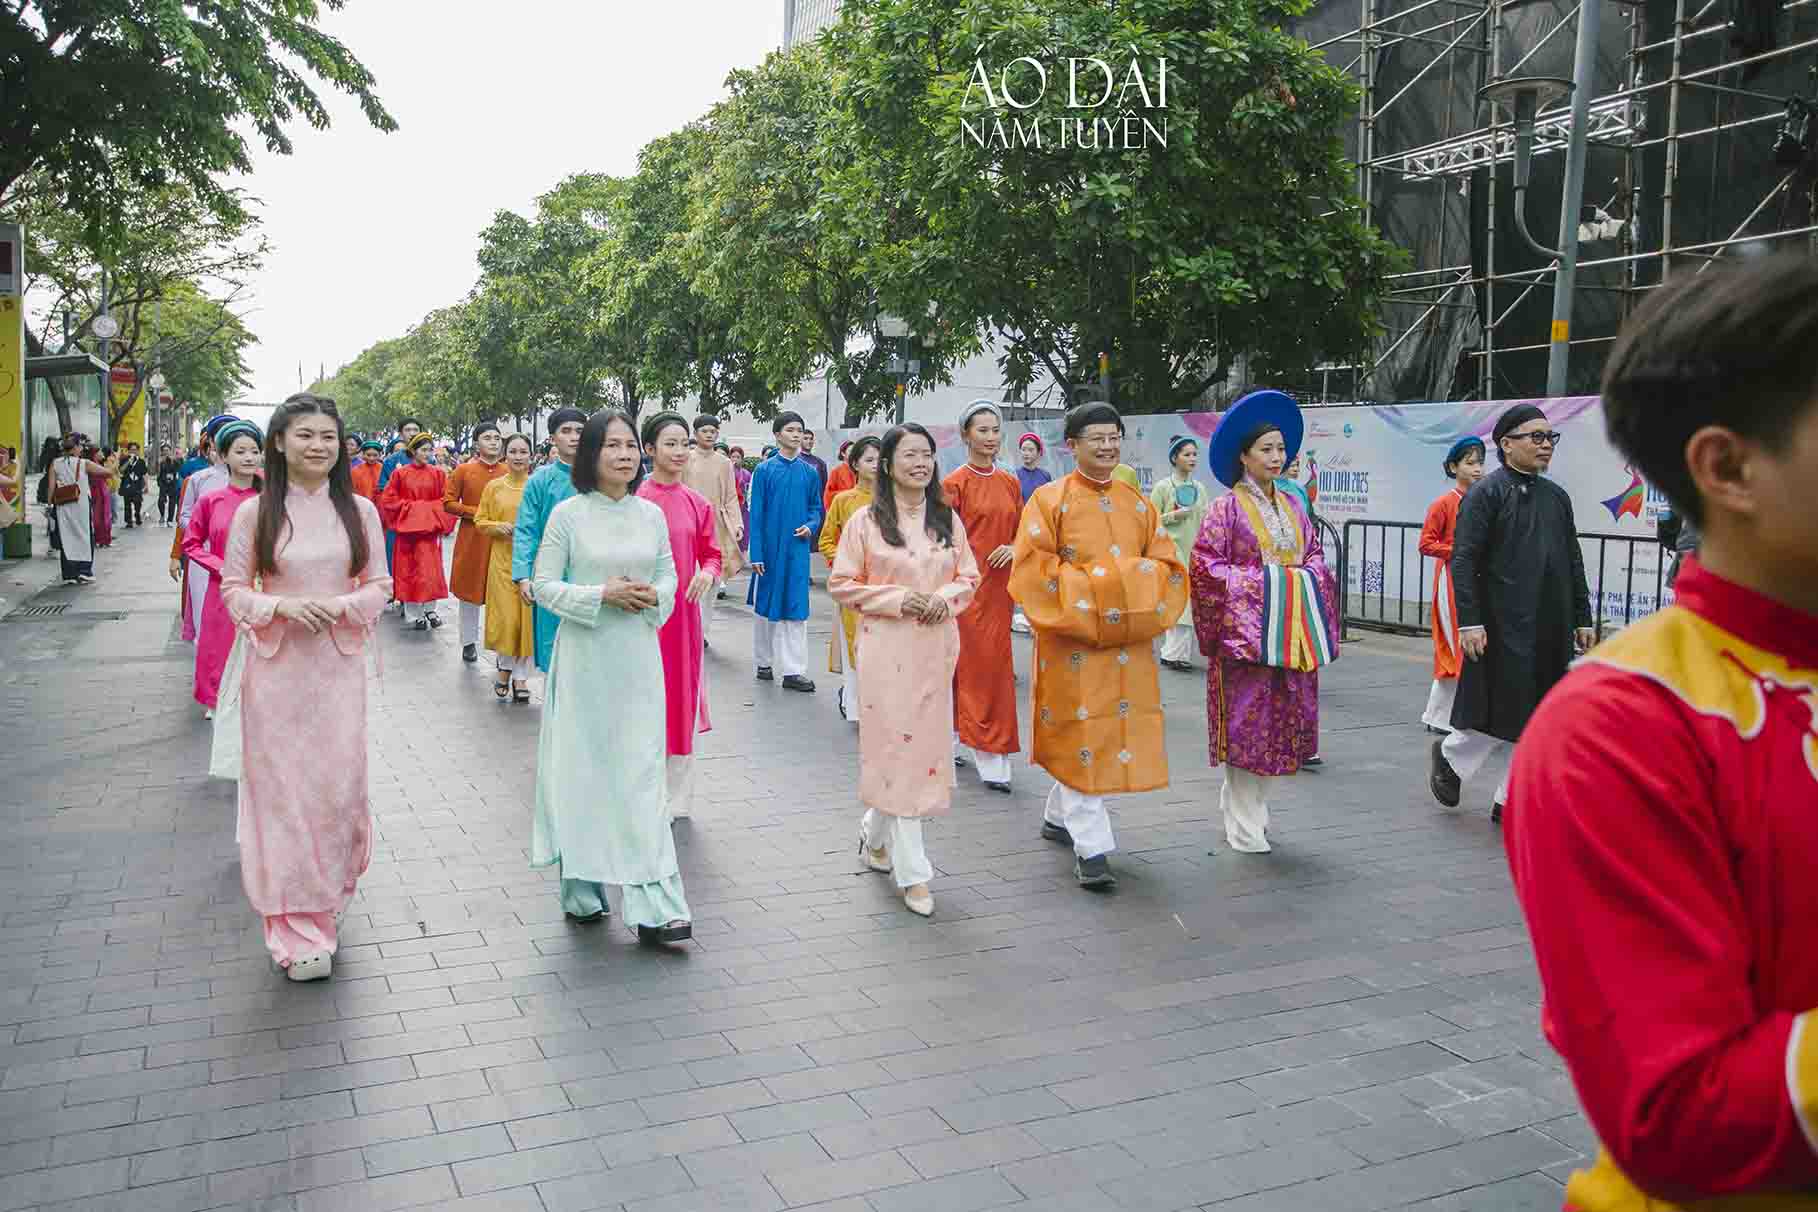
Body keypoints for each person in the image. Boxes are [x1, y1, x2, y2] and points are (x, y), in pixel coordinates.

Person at [1503, 252, 1818, 1210]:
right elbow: (1679, 1117)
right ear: (1725, 467)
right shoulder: (1620, 730)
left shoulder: (1553, 502)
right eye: (1525, 441)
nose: (1538, 453)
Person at [221, 393, 391, 981]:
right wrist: (285, 608)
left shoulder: (360, 512)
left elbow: (380, 585)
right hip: (276, 674)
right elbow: (233, 591)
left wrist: (342, 604)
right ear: (278, 443)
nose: (318, 446)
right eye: (305, 435)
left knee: (337, 788)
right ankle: (294, 927)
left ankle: (325, 898)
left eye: (328, 436)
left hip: (338, 673)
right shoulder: (254, 514)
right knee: (283, 794)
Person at [1009, 401, 1190, 888]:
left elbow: (1168, 566)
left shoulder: (1137, 502)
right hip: (1072, 642)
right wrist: (1107, 589)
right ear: (1073, 445)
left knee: (1098, 735)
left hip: (1125, 646)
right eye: (1097, 438)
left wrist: (1121, 584)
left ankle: (1057, 816)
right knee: (1080, 732)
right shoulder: (1048, 500)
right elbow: (1033, 570)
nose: (1108, 446)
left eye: (1114, 437)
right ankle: (1093, 849)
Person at [531, 410, 691, 944]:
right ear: (589, 455)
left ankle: (655, 905)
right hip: (583, 662)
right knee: (583, 772)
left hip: (637, 657)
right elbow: (544, 585)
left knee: (641, 774)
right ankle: (580, 888)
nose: (625, 455)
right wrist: (602, 595)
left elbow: (668, 571)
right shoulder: (568, 516)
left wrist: (654, 596)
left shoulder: (649, 516)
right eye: (611, 446)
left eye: (629, 446)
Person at [831, 423, 980, 918]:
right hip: (884, 650)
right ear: (888, 463)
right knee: (897, 750)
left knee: (917, 754)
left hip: (935, 648)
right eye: (910, 454)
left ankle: (874, 833)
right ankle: (914, 874)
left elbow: (968, 576)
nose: (920, 463)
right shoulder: (865, 523)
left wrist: (943, 600)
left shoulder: (946, 519)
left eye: (928, 455)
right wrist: (899, 599)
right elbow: (843, 583)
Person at [1191, 392, 1339, 854]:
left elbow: (1314, 557)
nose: (1276, 457)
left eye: (1280, 449)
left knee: (1277, 727)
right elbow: (1205, 568)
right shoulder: (1225, 509)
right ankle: (1244, 822)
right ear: (1244, 456)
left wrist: (1303, 580)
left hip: (1287, 640)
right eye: (1266, 450)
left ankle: (1252, 812)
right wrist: (1270, 585)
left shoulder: (1294, 506)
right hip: (1246, 643)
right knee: (1245, 728)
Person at [1429, 403, 1592, 821]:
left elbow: (1572, 558)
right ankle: (1451, 757)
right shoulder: (1487, 493)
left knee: (1540, 714)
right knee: (1504, 708)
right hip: (1500, 623)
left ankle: (1510, 799)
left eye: (1549, 437)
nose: (1545, 445)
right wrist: (1470, 620)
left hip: (1550, 623)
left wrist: (1582, 616)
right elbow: (1463, 560)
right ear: (1506, 444)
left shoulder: (1556, 497)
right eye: (1535, 437)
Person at [637, 413, 722, 821]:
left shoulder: (697, 503)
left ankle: (678, 794)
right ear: (649, 449)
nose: (679, 451)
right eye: (669, 443)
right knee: (643, 698)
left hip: (684, 621)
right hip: (642, 617)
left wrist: (707, 572)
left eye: (683, 443)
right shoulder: (634, 502)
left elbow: (712, 553)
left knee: (680, 698)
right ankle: (640, 789)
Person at [941, 401, 1023, 792]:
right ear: (965, 435)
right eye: (983, 430)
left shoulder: (1010, 482)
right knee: (975, 666)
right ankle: (987, 747)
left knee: (988, 666)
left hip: (1001, 589)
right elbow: (941, 541)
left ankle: (960, 734)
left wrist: (1015, 547)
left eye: (995, 430)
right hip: (968, 591)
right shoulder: (954, 484)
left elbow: (1026, 530)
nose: (991, 438)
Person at [182, 419, 264, 718]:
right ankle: (216, 697)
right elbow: (191, 544)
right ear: (224, 456)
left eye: (254, 451)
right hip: (224, 586)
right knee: (220, 644)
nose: (248, 457)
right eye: (240, 451)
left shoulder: (269, 501)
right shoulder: (210, 500)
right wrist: (223, 567)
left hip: (264, 586)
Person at [1417, 437, 1488, 733]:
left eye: (1480, 462)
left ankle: (1441, 715)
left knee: (1473, 648)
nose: (1478, 469)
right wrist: (1458, 551)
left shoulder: (1485, 499)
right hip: (1451, 581)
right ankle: (1449, 716)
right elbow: (1426, 544)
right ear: (1453, 467)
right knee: (1457, 645)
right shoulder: (1444, 504)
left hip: (1480, 581)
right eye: (1470, 463)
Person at [747, 411, 822, 691]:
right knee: (765, 606)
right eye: (790, 430)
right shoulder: (764, 471)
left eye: (800, 430)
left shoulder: (810, 473)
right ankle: (763, 662)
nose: (796, 435)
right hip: (769, 550)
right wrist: (756, 553)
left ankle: (793, 671)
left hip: (797, 551)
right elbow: (756, 515)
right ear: (777, 435)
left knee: (796, 607)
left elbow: (816, 508)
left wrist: (811, 526)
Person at [513, 407, 586, 673]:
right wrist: (523, 575)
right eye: (566, 431)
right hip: (552, 573)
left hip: (594, 573)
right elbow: (526, 530)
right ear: (553, 438)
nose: (574, 437)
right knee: (554, 652)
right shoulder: (540, 480)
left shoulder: (602, 477)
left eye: (579, 431)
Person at [819, 436, 880, 721]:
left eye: (881, 459)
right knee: (857, 642)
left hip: (887, 585)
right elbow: (827, 540)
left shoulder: (897, 500)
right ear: (854, 464)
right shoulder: (844, 500)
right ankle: (855, 704)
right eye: (869, 459)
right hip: (855, 587)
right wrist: (845, 567)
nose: (876, 465)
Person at [474, 433, 537, 703]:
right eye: (513, 451)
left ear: (531, 456)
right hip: (501, 561)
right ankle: (504, 668)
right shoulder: (494, 487)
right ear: (505, 454)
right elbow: (480, 520)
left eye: (523, 452)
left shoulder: (537, 486)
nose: (518, 457)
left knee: (527, 622)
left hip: (532, 562)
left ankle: (520, 677)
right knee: (507, 620)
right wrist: (496, 527)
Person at [445, 422, 510, 663]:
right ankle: (468, 642)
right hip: (472, 539)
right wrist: (479, 513)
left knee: (502, 593)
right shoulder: (463, 470)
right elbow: (448, 502)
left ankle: (502, 645)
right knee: (469, 593)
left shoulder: (509, 471)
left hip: (502, 539)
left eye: (496, 437)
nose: (493, 441)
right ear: (476, 443)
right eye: (487, 437)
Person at [379, 432, 457, 630]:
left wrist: (419, 511)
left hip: (428, 532)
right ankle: (414, 614)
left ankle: (430, 609)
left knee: (430, 572)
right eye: (424, 450)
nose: (428, 454)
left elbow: (446, 501)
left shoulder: (439, 474)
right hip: (407, 533)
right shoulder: (400, 474)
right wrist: (419, 510)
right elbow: (388, 500)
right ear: (413, 451)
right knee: (409, 571)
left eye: (430, 450)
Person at [174, 415, 238, 643]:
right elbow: (184, 517)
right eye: (219, 437)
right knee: (206, 617)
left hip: (243, 557)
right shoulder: (198, 479)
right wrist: (205, 531)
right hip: (205, 558)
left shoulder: (257, 480)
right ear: (210, 441)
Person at [681, 415, 744, 644]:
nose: (709, 435)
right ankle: (690, 627)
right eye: (704, 431)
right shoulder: (685, 459)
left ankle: (701, 631)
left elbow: (730, 497)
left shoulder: (724, 463)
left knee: (713, 580)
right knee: (691, 577)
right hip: (689, 524)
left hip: (716, 525)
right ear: (696, 434)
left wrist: (736, 524)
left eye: (713, 431)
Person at [1151, 436, 1210, 671]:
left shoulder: (1200, 488)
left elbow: (1207, 519)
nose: (1192, 458)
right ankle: (1173, 654)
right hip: (1172, 552)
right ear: (1175, 458)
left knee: (1190, 603)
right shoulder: (1163, 487)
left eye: (1195, 454)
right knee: (1179, 601)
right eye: (1187, 454)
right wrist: (1171, 517)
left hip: (1194, 551)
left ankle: (1175, 653)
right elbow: (1150, 520)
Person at [48, 437, 110, 585]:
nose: (82, 449)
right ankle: (84, 571)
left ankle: (69, 573)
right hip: (80, 503)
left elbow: (51, 487)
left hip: (62, 504)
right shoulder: (84, 463)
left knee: (66, 536)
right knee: (84, 535)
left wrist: (50, 505)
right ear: (75, 448)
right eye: (80, 446)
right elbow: (106, 473)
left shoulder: (55, 463)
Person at [378, 417, 423, 576]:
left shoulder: (429, 460)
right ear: (400, 434)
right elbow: (383, 488)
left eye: (415, 430)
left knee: (420, 558)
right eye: (407, 430)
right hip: (398, 517)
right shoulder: (391, 460)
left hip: (422, 518)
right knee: (395, 556)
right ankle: (396, 592)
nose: (411, 433)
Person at [822, 438, 857, 515]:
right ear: (843, 453)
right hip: (842, 511)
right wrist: (847, 493)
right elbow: (828, 495)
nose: (854, 454)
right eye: (851, 451)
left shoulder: (859, 470)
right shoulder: (836, 472)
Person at [89, 446, 114, 548]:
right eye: (100, 452)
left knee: (104, 516)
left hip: (102, 491)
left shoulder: (97, 464)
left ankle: (103, 539)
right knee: (99, 516)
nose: (102, 454)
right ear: (95, 454)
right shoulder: (93, 465)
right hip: (97, 492)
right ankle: (101, 539)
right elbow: (109, 473)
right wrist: (116, 459)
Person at [1015, 433, 1052, 502]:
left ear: (1038, 452)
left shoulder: (1045, 475)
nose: (1026, 453)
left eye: (1030, 450)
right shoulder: (1014, 475)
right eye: (1023, 449)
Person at [118, 442, 147, 528]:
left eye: (135, 450)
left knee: (138, 502)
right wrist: (128, 462)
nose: (133, 452)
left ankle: (137, 514)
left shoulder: (141, 461)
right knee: (127, 504)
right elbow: (121, 470)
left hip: (137, 485)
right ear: (128, 451)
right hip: (127, 484)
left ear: (138, 451)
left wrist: (146, 485)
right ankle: (129, 521)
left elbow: (144, 473)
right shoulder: (124, 460)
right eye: (131, 450)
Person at [156, 445, 181, 526]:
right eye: (164, 450)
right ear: (162, 452)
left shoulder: (174, 460)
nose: (166, 452)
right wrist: (160, 463)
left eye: (167, 450)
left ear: (170, 451)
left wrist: (174, 460)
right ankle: (162, 515)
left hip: (172, 483)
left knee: (172, 502)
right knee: (161, 500)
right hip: (163, 483)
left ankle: (170, 519)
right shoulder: (160, 461)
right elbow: (158, 472)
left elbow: (179, 468)